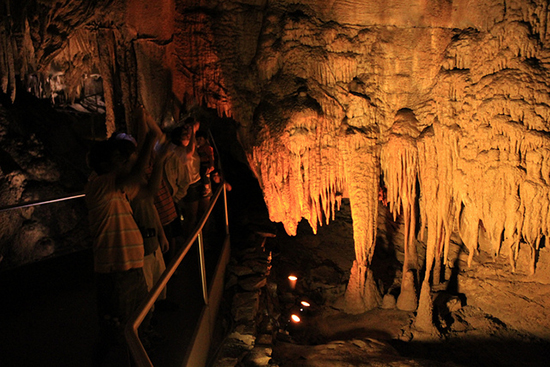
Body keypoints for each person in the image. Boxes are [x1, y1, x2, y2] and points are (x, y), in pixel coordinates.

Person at [85, 113, 158, 360]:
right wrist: (150, 139)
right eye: (122, 159)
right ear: (110, 162)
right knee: (120, 326)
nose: (127, 162)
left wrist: (159, 161)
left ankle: (138, 355)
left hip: (132, 265)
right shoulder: (100, 184)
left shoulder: (117, 185)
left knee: (140, 317)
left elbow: (147, 192)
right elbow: (136, 175)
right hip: (116, 269)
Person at [195, 130, 215, 197]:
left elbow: (211, 156)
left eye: (201, 139)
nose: (199, 141)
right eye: (197, 139)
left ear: (205, 140)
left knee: (205, 175)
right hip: (201, 164)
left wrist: (211, 165)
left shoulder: (207, 147)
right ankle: (205, 187)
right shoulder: (199, 148)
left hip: (206, 164)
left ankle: (207, 188)